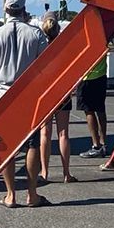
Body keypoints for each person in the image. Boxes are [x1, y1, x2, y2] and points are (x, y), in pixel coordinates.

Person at [0, 0, 50, 208]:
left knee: (6, 145)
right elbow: (46, 65)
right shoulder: (36, 34)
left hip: (4, 94)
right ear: (23, 10)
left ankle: (11, 195)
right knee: (32, 143)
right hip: (29, 94)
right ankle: (32, 193)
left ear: (5, 10)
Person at [38, 13, 76, 184]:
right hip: (62, 92)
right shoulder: (64, 47)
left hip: (45, 93)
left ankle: (45, 172)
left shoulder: (40, 47)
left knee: (45, 133)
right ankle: (66, 172)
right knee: (63, 133)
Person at [77, 53, 108, 158]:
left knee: (89, 110)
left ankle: (96, 146)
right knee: (100, 109)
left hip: (87, 76)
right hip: (101, 73)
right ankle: (103, 143)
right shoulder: (100, 37)